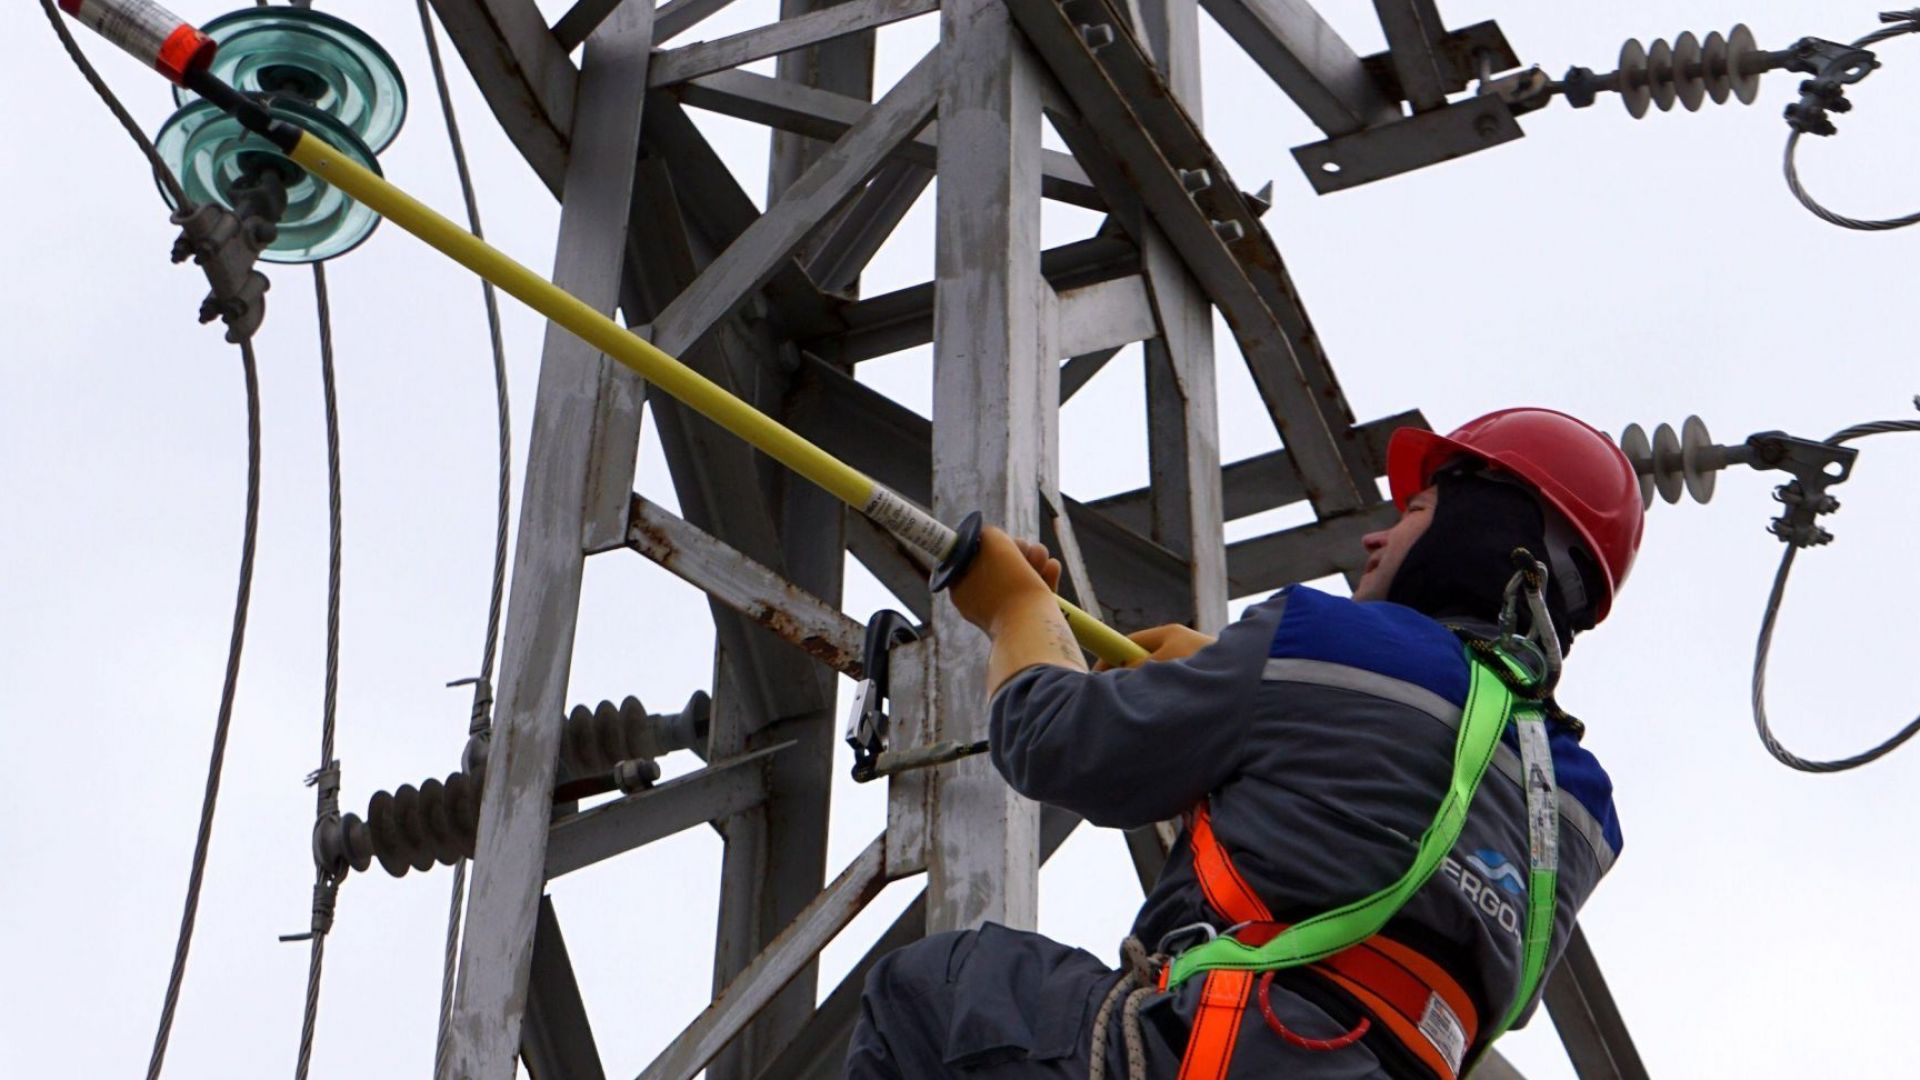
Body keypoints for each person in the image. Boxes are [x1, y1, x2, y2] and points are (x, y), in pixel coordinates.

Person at [845, 408, 1643, 1080]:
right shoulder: (1579, 812)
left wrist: (1017, 610)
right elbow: (1402, 885)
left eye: (1414, 514)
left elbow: (1052, 743)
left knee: (933, 993)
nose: (1374, 540)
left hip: (1232, 1050)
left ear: (1480, 536)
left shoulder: (1323, 638)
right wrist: (1241, 702)